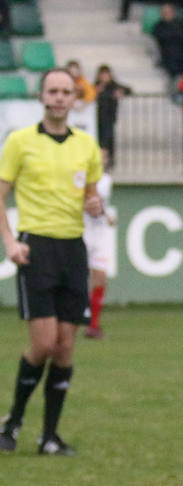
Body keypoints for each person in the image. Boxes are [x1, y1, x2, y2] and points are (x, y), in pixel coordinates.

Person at [0, 68, 104, 456]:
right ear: (42, 97)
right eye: (52, 91)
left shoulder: (86, 145)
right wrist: (10, 240)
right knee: (42, 344)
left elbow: (92, 199)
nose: (59, 97)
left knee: (64, 348)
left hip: (72, 250)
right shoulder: (20, 142)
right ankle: (12, 422)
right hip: (36, 247)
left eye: (66, 92)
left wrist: (95, 205)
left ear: (74, 98)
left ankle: (49, 437)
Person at [83, 149, 114, 340]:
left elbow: (102, 204)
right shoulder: (83, 179)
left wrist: (108, 215)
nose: (102, 160)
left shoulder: (107, 180)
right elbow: (95, 201)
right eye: (99, 156)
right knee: (78, 279)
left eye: (105, 157)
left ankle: (93, 325)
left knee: (100, 277)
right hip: (81, 232)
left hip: (100, 234)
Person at [94, 65, 132, 170]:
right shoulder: (96, 86)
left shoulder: (114, 86)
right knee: (99, 139)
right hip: (97, 117)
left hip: (110, 117)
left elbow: (128, 89)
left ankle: (109, 160)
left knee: (109, 139)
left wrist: (121, 92)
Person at [152, 3, 183, 79]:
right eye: (163, 12)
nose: (165, 14)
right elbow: (159, 44)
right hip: (168, 58)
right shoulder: (158, 27)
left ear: (173, 12)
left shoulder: (182, 25)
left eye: (168, 12)